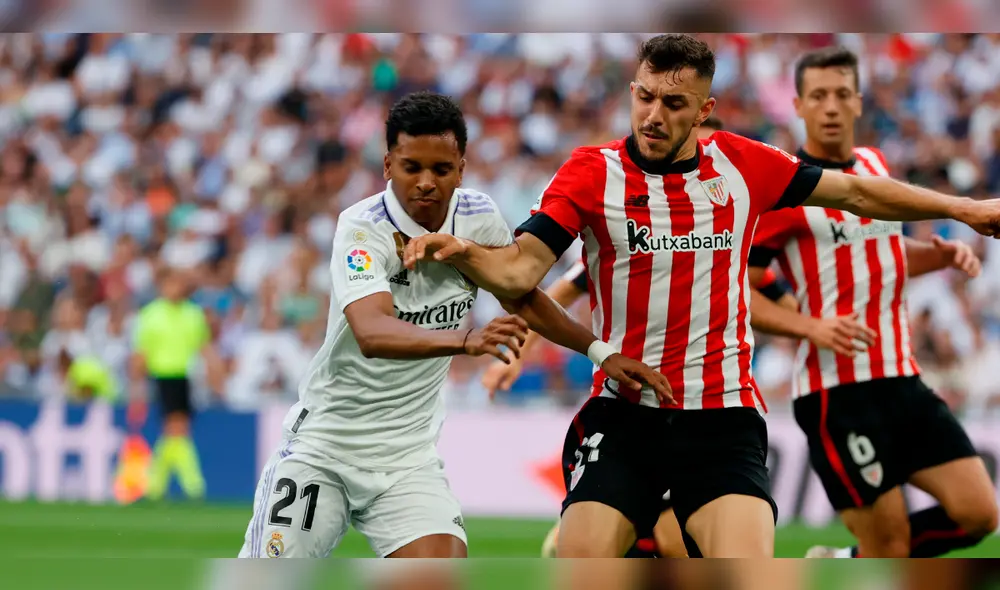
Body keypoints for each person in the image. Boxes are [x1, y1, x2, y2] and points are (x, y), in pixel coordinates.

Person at [402, 34, 1000, 558]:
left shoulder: (745, 166)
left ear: (704, 109)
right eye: (644, 96)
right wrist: (464, 252)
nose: (654, 115)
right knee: (582, 567)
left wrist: (963, 209)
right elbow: (519, 274)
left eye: (673, 102)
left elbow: (859, 195)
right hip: (625, 414)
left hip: (722, 419)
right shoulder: (590, 173)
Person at [238, 91, 667, 559]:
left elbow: (522, 298)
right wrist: (465, 339)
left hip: (407, 460)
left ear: (461, 169)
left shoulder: (478, 217)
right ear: (387, 166)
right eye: (411, 167)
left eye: (441, 170)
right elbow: (371, 332)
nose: (426, 182)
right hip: (325, 447)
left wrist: (601, 352)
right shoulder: (362, 228)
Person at [491, 115, 801, 559]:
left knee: (683, 541)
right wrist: (522, 347)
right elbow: (562, 286)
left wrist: (809, 326)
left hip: (713, 408)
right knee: (647, 540)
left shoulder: (735, 222)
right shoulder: (637, 223)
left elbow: (777, 300)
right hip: (633, 405)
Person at [747, 46, 998, 558]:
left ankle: (843, 561)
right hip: (837, 394)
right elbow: (735, 286)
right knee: (890, 546)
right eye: (819, 96)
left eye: (842, 94)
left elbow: (876, 249)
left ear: (860, 102)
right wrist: (809, 327)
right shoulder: (787, 187)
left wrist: (939, 256)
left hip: (902, 379)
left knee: (979, 514)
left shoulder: (874, 164)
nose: (832, 107)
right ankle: (857, 562)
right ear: (798, 106)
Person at [131, 268, 213, 501]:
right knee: (178, 428)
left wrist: (214, 375)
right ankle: (192, 484)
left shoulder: (193, 314)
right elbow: (141, 353)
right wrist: (136, 385)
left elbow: (204, 347)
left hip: (186, 377)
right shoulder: (151, 314)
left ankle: (156, 483)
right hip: (162, 375)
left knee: (175, 431)